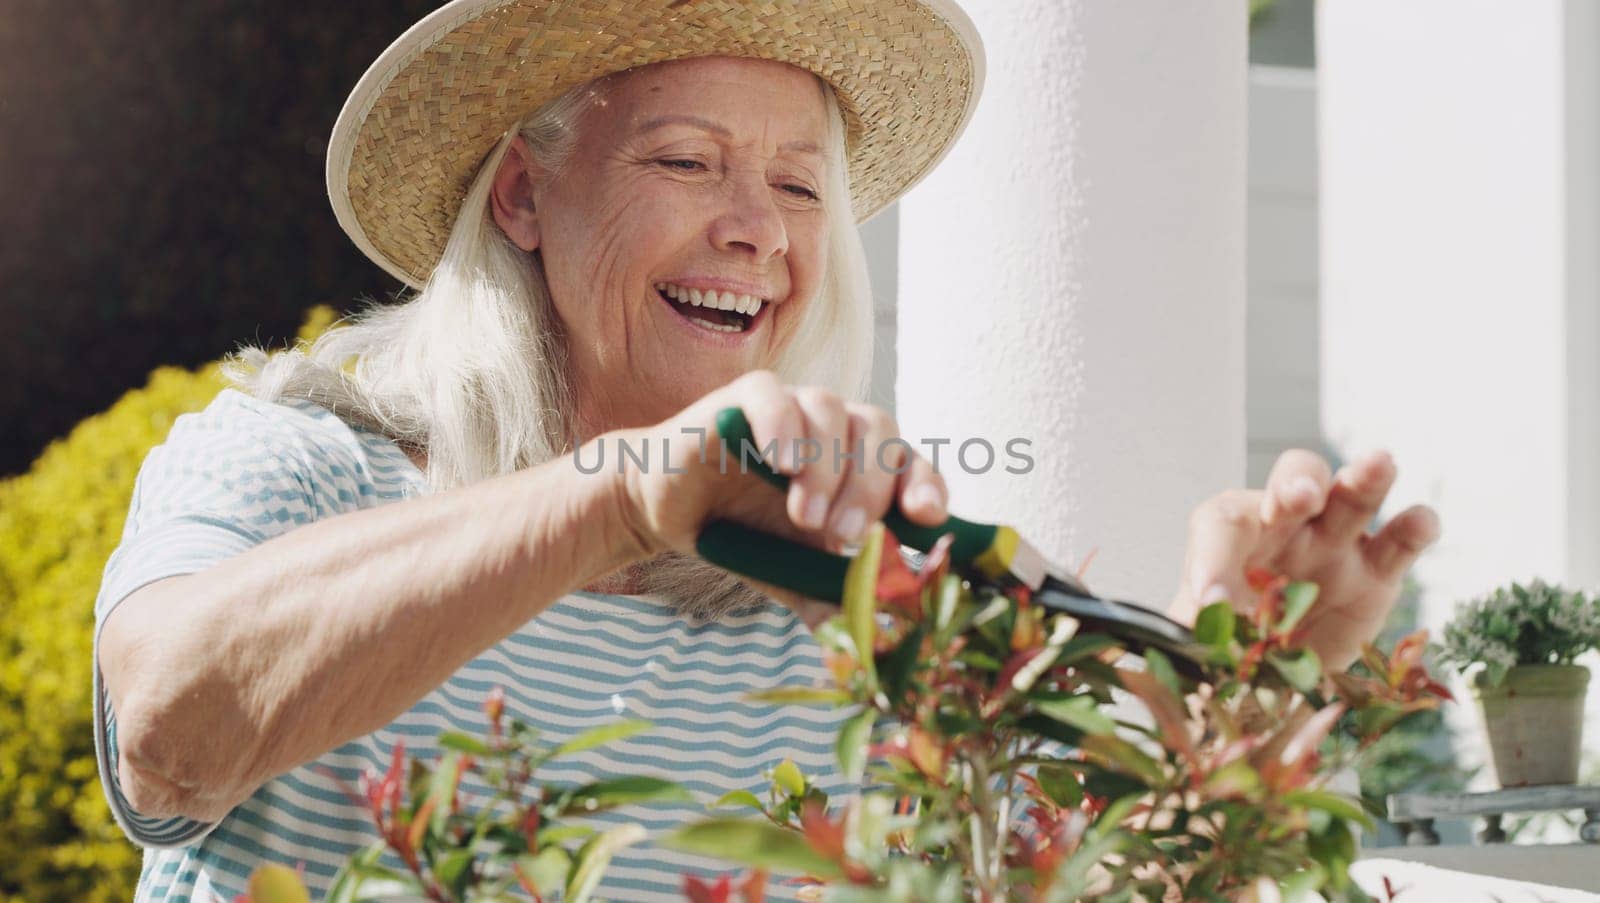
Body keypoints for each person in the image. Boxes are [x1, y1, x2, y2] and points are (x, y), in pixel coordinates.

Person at [91, 1, 1441, 899]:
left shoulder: (843, 583)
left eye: (801, 183)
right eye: (689, 161)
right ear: (522, 195)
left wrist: (1242, 673)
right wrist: (620, 499)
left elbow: (1078, 878)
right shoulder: (297, 456)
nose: (762, 229)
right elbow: (165, 743)